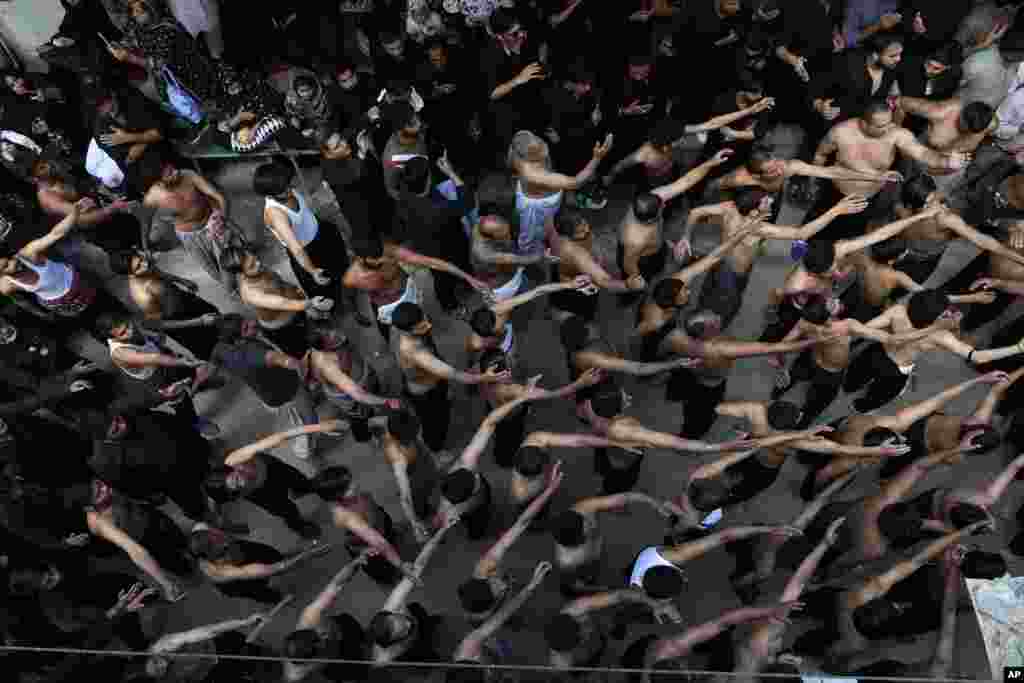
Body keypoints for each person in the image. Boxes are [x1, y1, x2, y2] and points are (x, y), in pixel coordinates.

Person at [679, 191, 868, 328]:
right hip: (734, 273)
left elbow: (695, 212)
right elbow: (801, 232)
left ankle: (702, 307)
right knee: (731, 302)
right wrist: (836, 210)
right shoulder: (757, 227)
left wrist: (685, 237)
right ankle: (716, 324)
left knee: (710, 287)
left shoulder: (728, 207)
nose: (770, 200)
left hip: (719, 260)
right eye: (765, 200)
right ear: (753, 211)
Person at [808, 97, 973, 242]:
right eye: (881, 125)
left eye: (890, 122)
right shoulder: (840, 132)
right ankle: (803, 241)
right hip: (834, 191)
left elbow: (923, 153)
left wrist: (946, 161)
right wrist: (813, 181)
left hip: (867, 198)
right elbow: (820, 155)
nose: (888, 128)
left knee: (850, 231)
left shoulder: (897, 135)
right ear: (864, 122)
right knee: (816, 222)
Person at [391, 301, 510, 452]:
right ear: (406, 331)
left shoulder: (399, 325)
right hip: (427, 393)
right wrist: (485, 377)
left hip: (431, 380)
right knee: (436, 424)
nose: (428, 326)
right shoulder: (415, 352)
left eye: (425, 319)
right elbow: (454, 374)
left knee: (441, 405)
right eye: (421, 327)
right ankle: (435, 449)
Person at [617, 150, 736, 298]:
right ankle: (632, 297)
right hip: (643, 261)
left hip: (656, 248)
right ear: (649, 220)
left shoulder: (654, 197)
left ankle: (660, 257)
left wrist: (711, 162)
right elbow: (628, 263)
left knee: (660, 261)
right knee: (640, 284)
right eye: (662, 207)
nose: (665, 205)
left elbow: (686, 181)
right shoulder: (635, 240)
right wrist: (636, 279)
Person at [209, 314, 320, 473]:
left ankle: (301, 429)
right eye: (246, 328)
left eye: (246, 321)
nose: (252, 323)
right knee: (310, 417)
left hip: (268, 394)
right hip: (289, 387)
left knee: (294, 410)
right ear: (239, 339)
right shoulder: (252, 351)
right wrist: (296, 364)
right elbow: (275, 358)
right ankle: (308, 447)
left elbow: (210, 367)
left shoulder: (221, 347)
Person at [458, 465, 561, 625]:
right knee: (507, 617)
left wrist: (549, 491)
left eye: (493, 582)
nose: (500, 585)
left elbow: (522, 523)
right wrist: (532, 585)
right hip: (494, 615)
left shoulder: (486, 565)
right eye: (498, 589)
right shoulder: (481, 617)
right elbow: (511, 607)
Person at [255, 158, 350, 307]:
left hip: (319, 232)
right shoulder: (276, 215)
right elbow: (296, 248)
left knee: (338, 266)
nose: (289, 190)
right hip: (308, 251)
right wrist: (312, 270)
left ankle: (345, 285)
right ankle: (332, 309)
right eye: (283, 190)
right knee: (323, 287)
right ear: (269, 194)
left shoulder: (286, 189)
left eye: (288, 185)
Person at [142, 161, 242, 294]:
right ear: (159, 183)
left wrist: (221, 218)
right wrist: (145, 245)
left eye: (174, 168)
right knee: (211, 269)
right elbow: (145, 223)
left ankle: (233, 289)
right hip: (190, 237)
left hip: (212, 225)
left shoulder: (188, 175)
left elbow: (218, 196)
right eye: (170, 174)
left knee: (227, 266)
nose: (176, 172)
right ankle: (234, 289)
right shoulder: (152, 199)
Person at [370, 517, 458, 665]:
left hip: (417, 617)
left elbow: (420, 564)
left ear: (392, 613)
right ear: (392, 642)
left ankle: (429, 624)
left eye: (401, 619)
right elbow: (376, 663)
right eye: (402, 629)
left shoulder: (394, 604)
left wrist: (441, 531)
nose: (407, 624)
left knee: (422, 617)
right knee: (426, 655)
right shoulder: (385, 655)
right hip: (413, 648)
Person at [108, 248, 220, 360]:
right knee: (212, 348)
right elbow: (159, 324)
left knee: (220, 322)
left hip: (186, 300)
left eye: (141, 259)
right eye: (138, 267)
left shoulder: (145, 265)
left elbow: (160, 273)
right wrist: (199, 321)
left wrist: (182, 281)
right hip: (182, 323)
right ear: (130, 274)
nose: (145, 264)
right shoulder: (141, 294)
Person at [282, 553, 370, 683]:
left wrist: (354, 564)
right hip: (337, 662)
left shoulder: (311, 616)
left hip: (344, 629)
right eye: (322, 644)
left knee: (363, 640)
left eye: (319, 635)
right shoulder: (296, 673)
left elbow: (336, 585)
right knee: (357, 674)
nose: (324, 637)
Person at [190, 524, 330, 604]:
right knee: (260, 591)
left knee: (271, 555)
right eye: (215, 540)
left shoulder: (205, 531)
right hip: (238, 582)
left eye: (214, 533)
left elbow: (232, 531)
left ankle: (285, 556)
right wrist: (307, 556)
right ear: (210, 552)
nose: (219, 535)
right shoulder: (221, 572)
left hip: (243, 551)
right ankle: (279, 599)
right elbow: (272, 569)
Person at [547, 210, 645, 323]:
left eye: (583, 223)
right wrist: (627, 285)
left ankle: (556, 308)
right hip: (576, 287)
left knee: (559, 295)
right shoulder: (577, 254)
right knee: (581, 309)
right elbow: (604, 281)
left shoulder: (555, 228)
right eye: (581, 232)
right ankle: (578, 321)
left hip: (564, 273)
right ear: (567, 235)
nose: (587, 229)